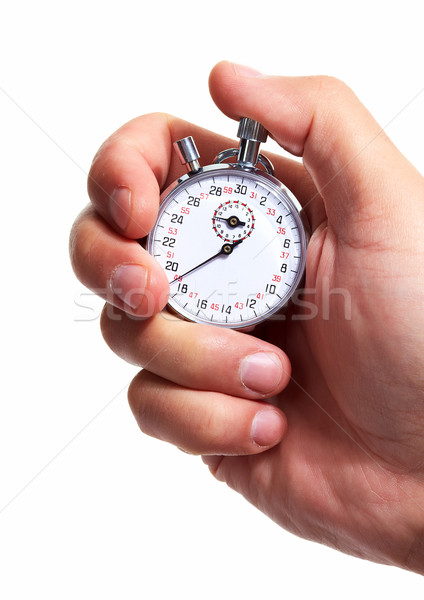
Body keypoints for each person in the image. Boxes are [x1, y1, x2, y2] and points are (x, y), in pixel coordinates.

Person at [69, 61, 424, 573]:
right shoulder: (186, 211)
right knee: (138, 288)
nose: (230, 242)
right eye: (223, 235)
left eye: (242, 232)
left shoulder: (302, 235)